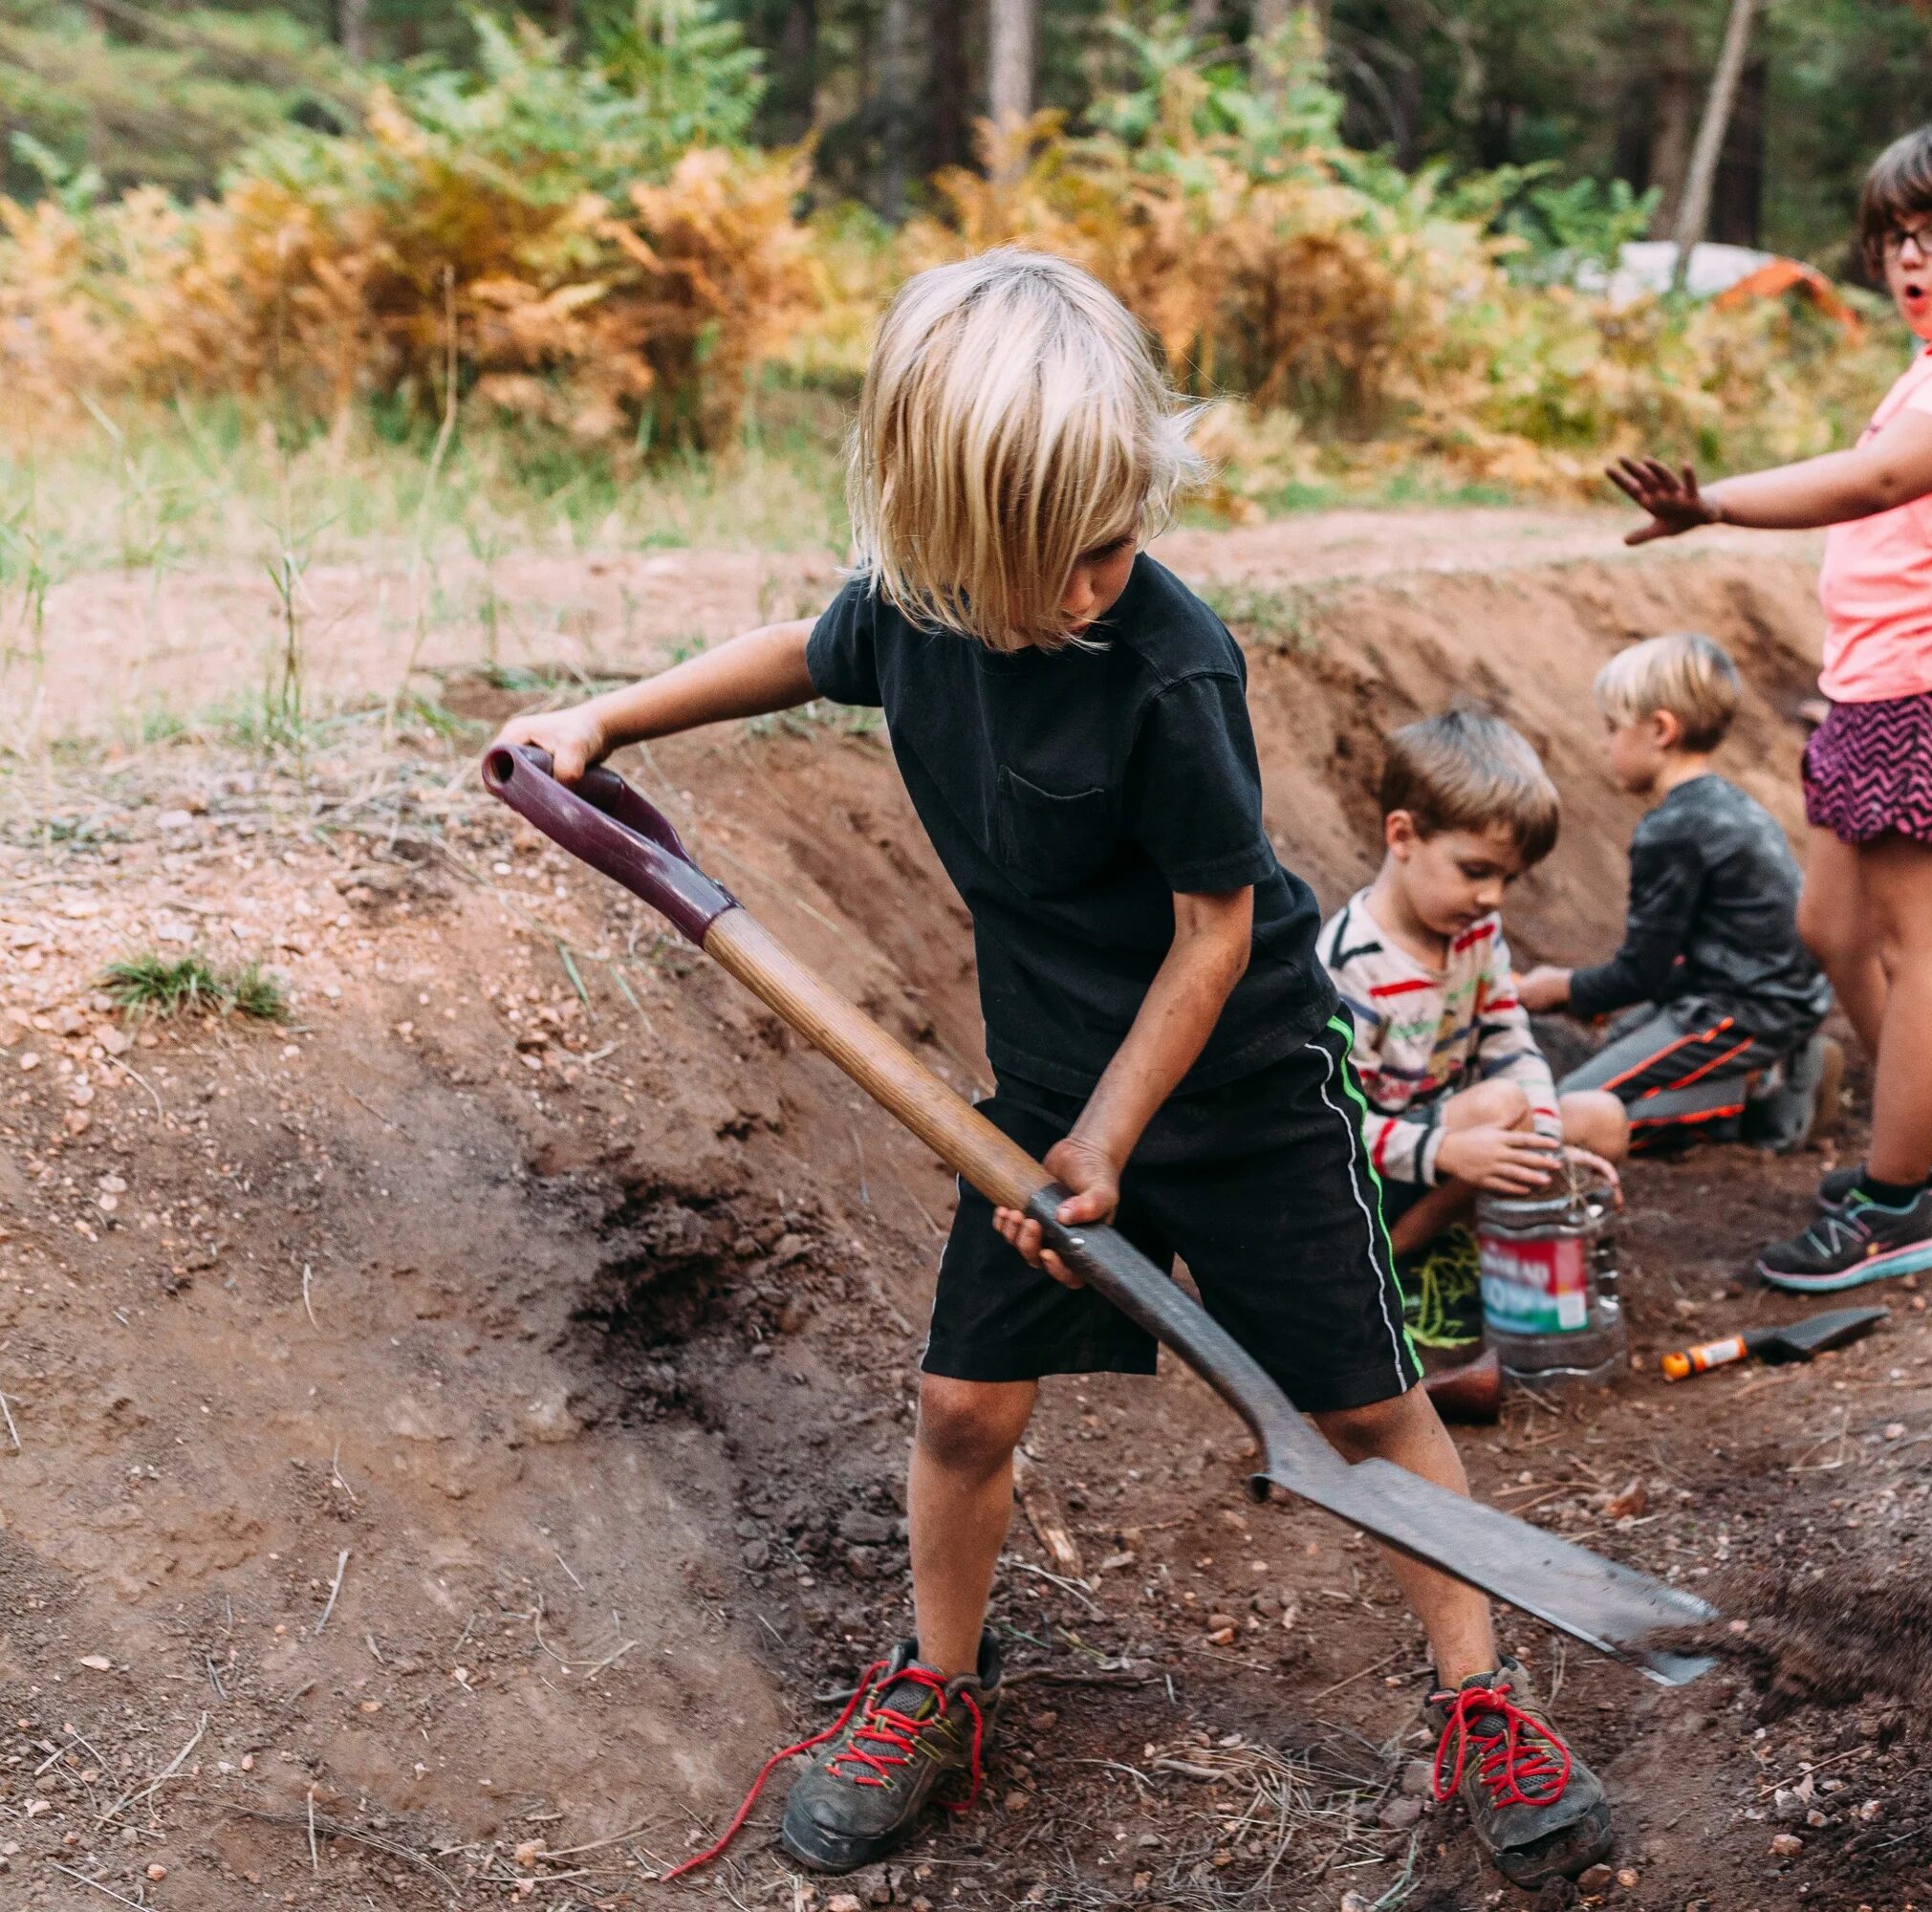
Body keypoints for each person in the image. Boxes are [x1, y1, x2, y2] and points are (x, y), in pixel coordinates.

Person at [488, 250, 1614, 1890]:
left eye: (1115, 537)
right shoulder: (917, 616)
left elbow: (1216, 934)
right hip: (1043, 1090)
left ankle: (1482, 1701)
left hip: (1237, 1093)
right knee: (960, 1408)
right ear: (945, 535)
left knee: (1369, 1410)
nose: (1097, 578)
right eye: (1061, 556)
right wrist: (610, 722)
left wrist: (1107, 1143)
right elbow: (803, 649)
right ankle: (938, 1687)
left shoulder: (1170, 664)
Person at [1607, 118, 1932, 1293]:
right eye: (1896, 236)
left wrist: (1716, 506)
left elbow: (1882, 477)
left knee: (1922, 953)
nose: (1909, 260)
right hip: (1875, 689)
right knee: (1831, 929)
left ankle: (1899, 1202)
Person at [1319, 711, 1627, 1290]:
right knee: (1498, 1106)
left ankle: (1489, 1237)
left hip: (1456, 1141)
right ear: (1403, 836)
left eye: (1507, 880)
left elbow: (1508, 1038)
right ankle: (1385, 1268)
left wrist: (1542, 1136)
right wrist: (1447, 1149)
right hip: (1369, 1178)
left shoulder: (1476, 933)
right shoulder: (1350, 963)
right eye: (1476, 871)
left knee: (1600, 1121)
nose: (1491, 897)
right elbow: (1334, 1124)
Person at [1512, 632, 1836, 1154]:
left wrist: (1566, 988)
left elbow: (1643, 972)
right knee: (1620, 1043)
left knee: (1570, 1113)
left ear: (1660, 730)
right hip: (1776, 993)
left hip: (1745, 1010)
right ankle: (1781, 1065)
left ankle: (1761, 1096)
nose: (1603, 744)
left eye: (1613, 728)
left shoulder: (1671, 832)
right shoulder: (1729, 804)